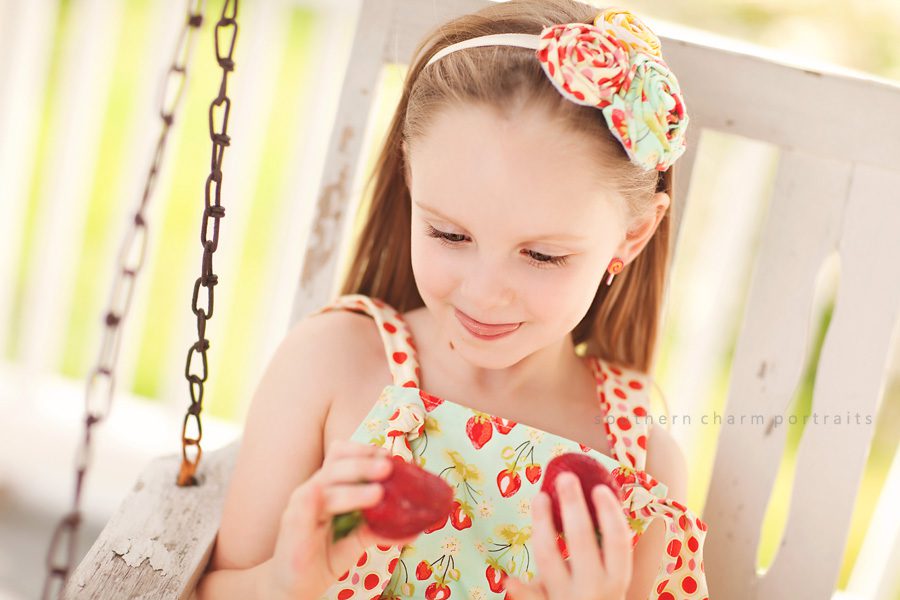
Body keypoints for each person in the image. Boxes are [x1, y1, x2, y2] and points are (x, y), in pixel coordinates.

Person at [194, 0, 708, 598]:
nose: (484, 293)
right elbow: (213, 585)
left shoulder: (640, 466)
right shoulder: (333, 363)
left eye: (542, 255)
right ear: (412, 181)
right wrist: (283, 585)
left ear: (632, 236)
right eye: (449, 234)